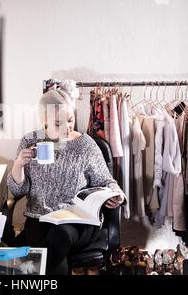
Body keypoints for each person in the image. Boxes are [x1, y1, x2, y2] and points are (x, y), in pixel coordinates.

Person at [7, 87, 125, 275]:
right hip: (41, 216)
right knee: (46, 243)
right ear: (43, 120)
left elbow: (106, 181)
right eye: (58, 123)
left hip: (78, 219)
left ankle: (26, 273)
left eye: (70, 120)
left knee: (59, 236)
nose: (67, 127)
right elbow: (18, 190)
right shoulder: (30, 141)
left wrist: (116, 195)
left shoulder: (85, 145)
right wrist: (19, 164)